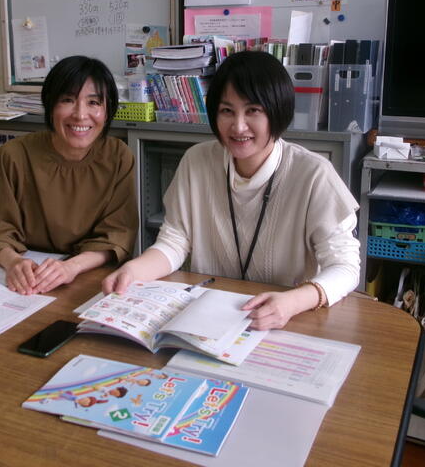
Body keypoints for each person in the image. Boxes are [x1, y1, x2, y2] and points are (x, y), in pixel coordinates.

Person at [103, 51, 360, 329]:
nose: (238, 126)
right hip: (209, 317)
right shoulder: (196, 161)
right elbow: (174, 242)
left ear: (278, 111)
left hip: (287, 319)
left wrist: (294, 301)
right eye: (227, 111)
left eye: (253, 111)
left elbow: (345, 267)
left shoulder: (313, 174)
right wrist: (134, 270)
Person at [0, 55, 137, 295]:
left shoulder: (118, 156)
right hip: (26, 279)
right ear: (50, 105)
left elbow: (118, 234)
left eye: (94, 102)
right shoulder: (14, 155)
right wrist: (13, 262)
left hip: (87, 277)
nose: (80, 114)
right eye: (67, 100)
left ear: (108, 110)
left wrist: (71, 267)